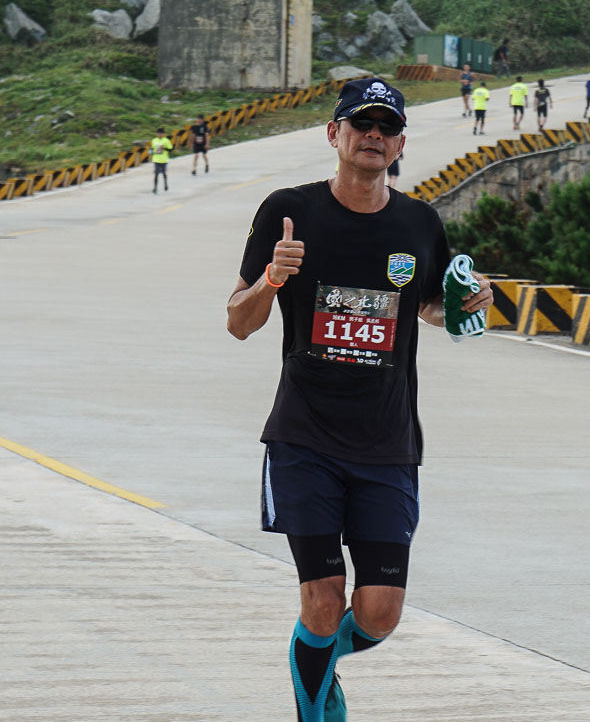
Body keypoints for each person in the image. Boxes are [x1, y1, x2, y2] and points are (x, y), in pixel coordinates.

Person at [225, 77, 492, 721]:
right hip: (303, 438)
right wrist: (271, 278)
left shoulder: (419, 223)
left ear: (400, 142)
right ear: (334, 134)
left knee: (379, 614)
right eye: (361, 124)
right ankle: (316, 710)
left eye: (387, 128)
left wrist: (464, 303)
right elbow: (238, 320)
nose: (374, 136)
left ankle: (314, 660)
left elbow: (429, 305)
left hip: (387, 443)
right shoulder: (289, 211)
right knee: (321, 600)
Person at [150, 127, 172, 193]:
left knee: (164, 173)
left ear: (163, 134)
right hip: (156, 159)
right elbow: (152, 149)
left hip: (164, 159)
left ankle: (165, 184)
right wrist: (151, 152)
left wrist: (164, 148)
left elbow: (170, 149)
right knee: (156, 174)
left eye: (161, 134)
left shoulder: (166, 140)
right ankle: (155, 188)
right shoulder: (154, 140)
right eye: (158, 134)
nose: (160, 135)